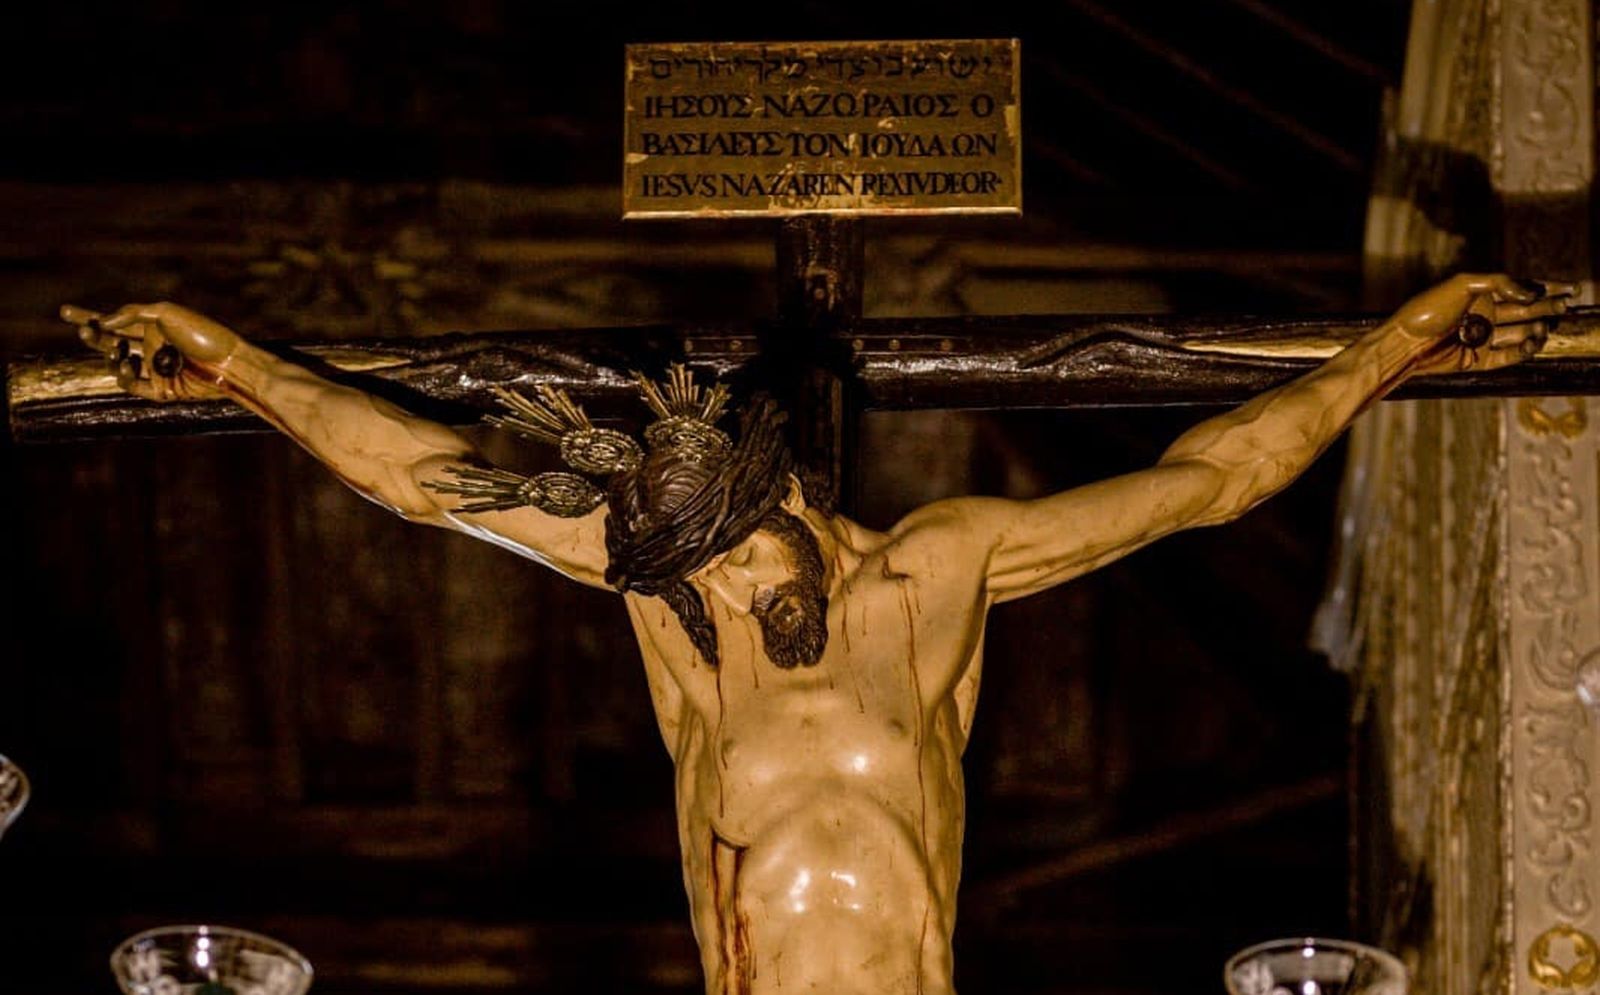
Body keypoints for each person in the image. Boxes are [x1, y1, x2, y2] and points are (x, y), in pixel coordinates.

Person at [62, 274, 1568, 995]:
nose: (703, 601)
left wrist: (1401, 342)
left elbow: (1210, 481)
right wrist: (233, 359)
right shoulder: (667, 595)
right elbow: (414, 477)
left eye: (718, 563)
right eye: (684, 580)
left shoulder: (941, 575)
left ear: (778, 492)